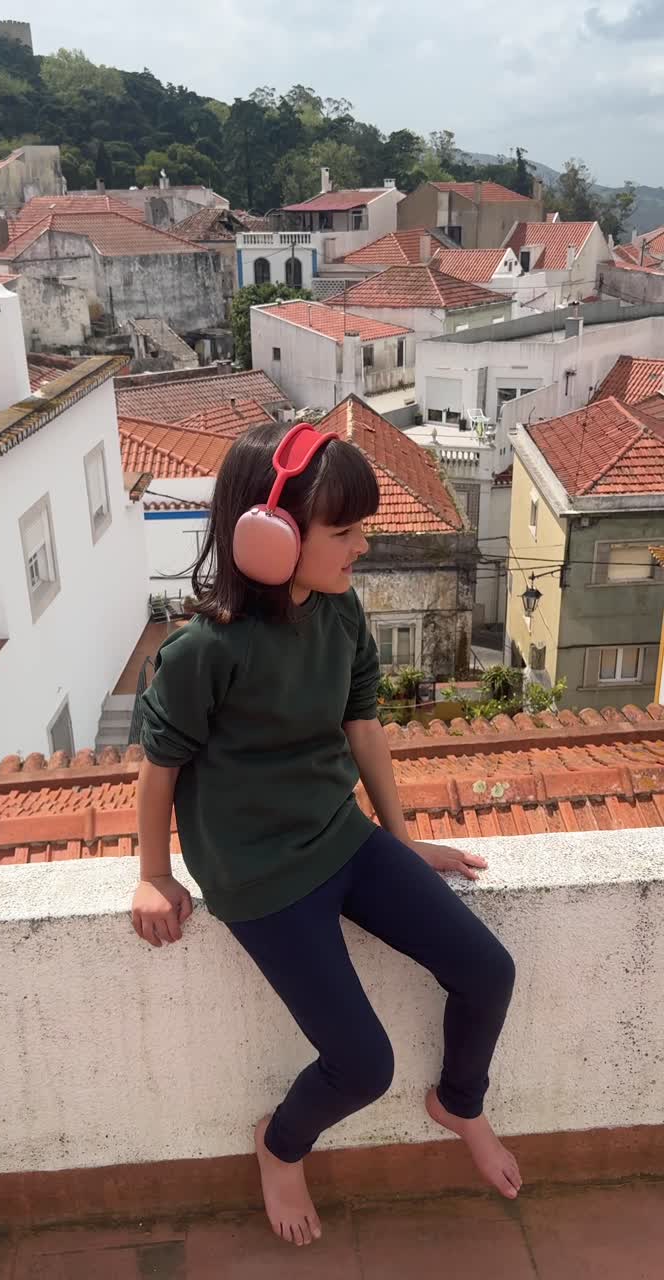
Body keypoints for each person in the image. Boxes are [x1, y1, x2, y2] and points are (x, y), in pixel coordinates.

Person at [132, 422, 521, 1248]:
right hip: (259, 879)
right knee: (363, 1066)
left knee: (488, 971)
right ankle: (280, 1147)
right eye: (344, 532)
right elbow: (159, 766)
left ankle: (459, 1103)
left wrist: (400, 839)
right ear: (270, 534)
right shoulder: (203, 650)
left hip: (342, 838)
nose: (363, 547)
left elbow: (362, 724)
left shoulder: (340, 612)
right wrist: (153, 874)